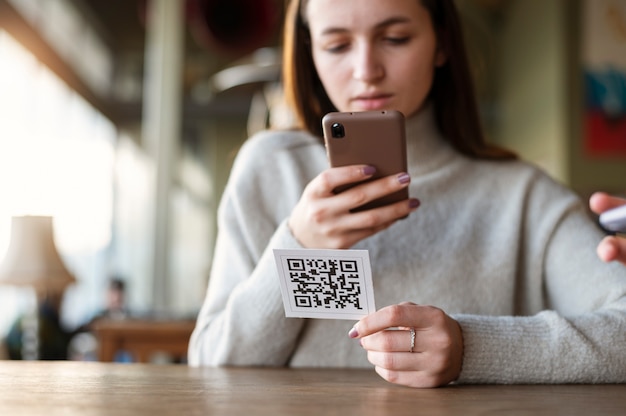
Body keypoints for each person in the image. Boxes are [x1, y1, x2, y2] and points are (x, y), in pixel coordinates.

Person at [188, 0, 626, 387]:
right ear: (309, 53)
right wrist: (300, 247)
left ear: (441, 44)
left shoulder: (523, 196)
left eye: (395, 37)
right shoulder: (271, 168)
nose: (365, 70)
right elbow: (211, 363)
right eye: (337, 45)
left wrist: (471, 349)